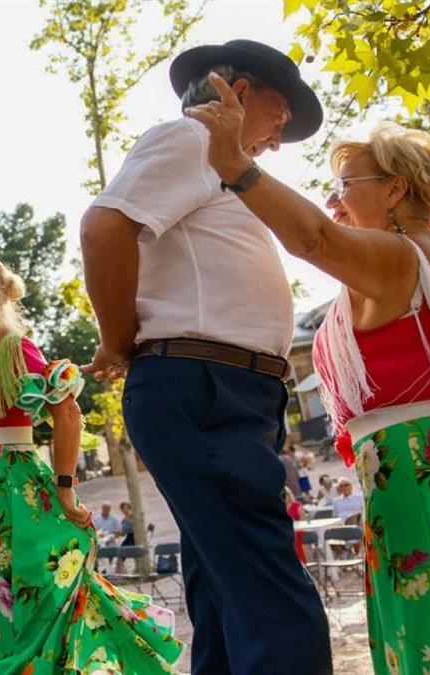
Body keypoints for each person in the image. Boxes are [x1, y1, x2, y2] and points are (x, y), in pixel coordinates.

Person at [188, 76, 430, 671]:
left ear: (395, 189)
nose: (334, 201)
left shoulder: (401, 257)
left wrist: (235, 162)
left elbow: (313, 237)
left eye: (345, 186)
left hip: (425, 478)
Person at [80, 38, 332, 675]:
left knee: (225, 592)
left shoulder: (220, 164)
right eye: (280, 116)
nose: (277, 139)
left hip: (224, 390)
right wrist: (118, 341)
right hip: (206, 384)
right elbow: (104, 226)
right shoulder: (192, 139)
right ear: (238, 93)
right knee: (274, 597)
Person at [0, 230, 184, 673]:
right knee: (3, 584)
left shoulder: (17, 349)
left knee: (37, 581)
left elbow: (68, 415)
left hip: (20, 482)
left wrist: (65, 489)